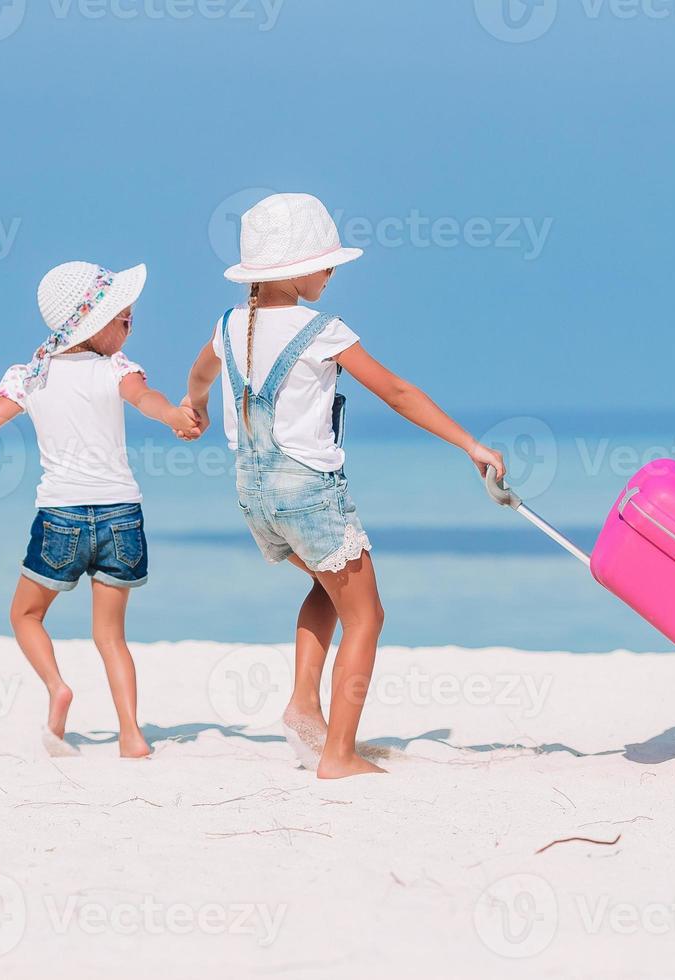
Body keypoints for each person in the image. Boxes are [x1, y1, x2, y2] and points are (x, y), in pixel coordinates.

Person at [183, 193, 506, 779]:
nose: (332, 273)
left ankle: (304, 702)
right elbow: (398, 392)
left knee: (326, 589)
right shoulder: (322, 330)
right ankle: (338, 754)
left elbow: (201, 373)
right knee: (366, 617)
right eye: (326, 263)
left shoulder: (230, 325)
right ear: (294, 270)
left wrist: (194, 407)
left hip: (254, 495)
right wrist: (470, 445)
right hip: (307, 492)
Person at [0, 261, 198, 757]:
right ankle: (131, 736)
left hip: (61, 518)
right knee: (111, 636)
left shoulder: (30, 376)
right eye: (125, 319)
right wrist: (176, 416)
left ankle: (57, 688)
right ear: (94, 324)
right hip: (121, 516)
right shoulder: (117, 370)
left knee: (25, 614)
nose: (131, 327)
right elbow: (147, 401)